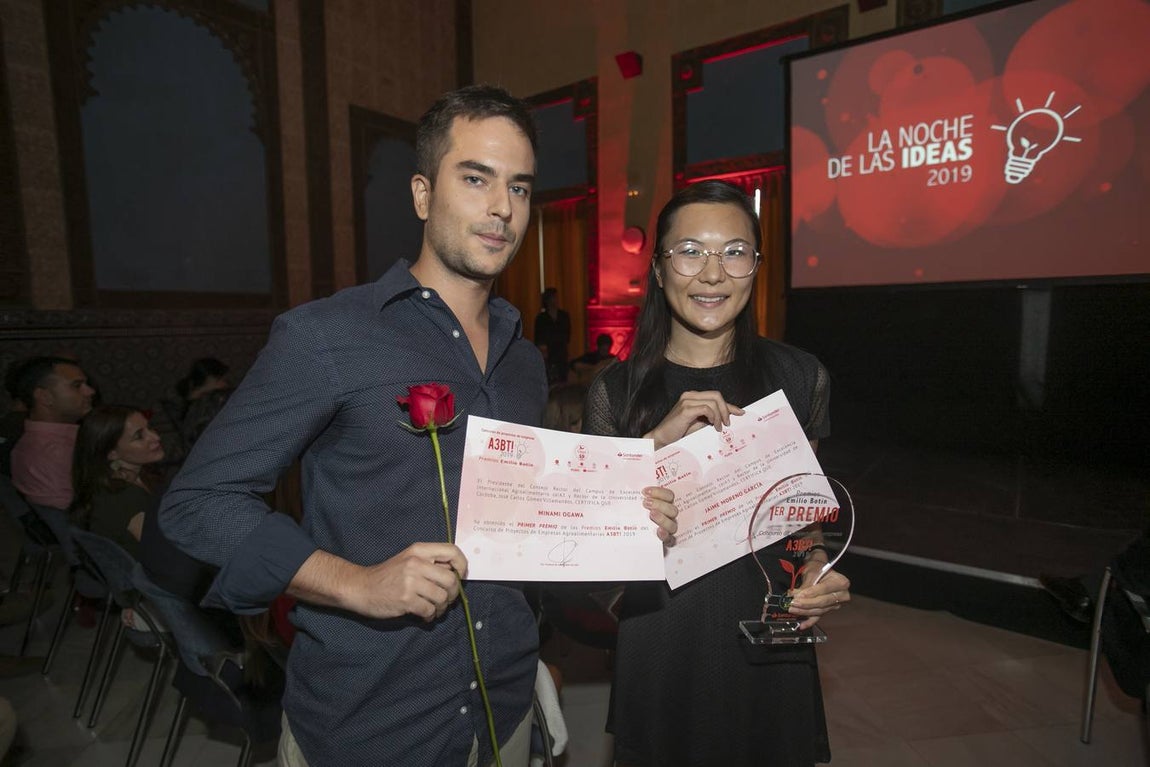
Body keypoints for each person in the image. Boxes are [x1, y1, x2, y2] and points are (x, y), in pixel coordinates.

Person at [160, 85, 679, 767]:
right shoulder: (326, 336)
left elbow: (532, 524)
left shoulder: (523, 361)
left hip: (503, 704)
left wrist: (628, 503)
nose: (502, 208)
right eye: (475, 179)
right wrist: (353, 581)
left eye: (519, 188)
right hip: (372, 721)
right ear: (422, 194)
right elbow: (197, 503)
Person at [582, 180, 850, 767]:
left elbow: (803, 523)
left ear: (755, 267)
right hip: (662, 646)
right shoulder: (616, 391)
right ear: (657, 269)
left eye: (733, 251)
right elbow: (591, 543)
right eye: (690, 251)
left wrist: (814, 569)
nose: (712, 274)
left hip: (768, 648)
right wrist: (650, 446)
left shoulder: (801, 378)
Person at [71, 405, 166, 559]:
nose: (156, 437)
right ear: (112, 453)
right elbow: (166, 553)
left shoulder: (136, 474)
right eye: (139, 436)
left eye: (149, 428)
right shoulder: (124, 498)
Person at [8, 356, 96, 508]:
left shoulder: (41, 443)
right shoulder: (52, 452)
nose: (90, 391)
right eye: (77, 385)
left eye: (86, 384)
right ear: (45, 397)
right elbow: (81, 518)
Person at [150, 357, 231, 469]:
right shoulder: (170, 408)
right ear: (212, 378)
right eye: (222, 380)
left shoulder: (214, 403)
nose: (225, 384)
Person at [534, 287, 570, 383]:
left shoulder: (564, 316)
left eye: (556, 297)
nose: (555, 300)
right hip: (548, 354)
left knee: (562, 379)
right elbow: (538, 337)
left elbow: (567, 335)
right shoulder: (541, 318)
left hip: (561, 352)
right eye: (553, 297)